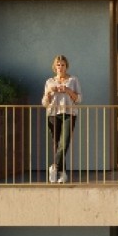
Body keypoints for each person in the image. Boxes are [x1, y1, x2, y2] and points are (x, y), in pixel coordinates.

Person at [42, 55, 81, 183]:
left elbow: (79, 99)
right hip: (53, 114)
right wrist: (49, 93)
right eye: (58, 65)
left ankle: (54, 167)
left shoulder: (73, 80)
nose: (60, 67)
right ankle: (62, 174)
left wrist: (68, 90)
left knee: (64, 143)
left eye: (63, 65)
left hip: (69, 113)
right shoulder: (49, 82)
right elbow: (44, 103)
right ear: (55, 67)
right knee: (56, 145)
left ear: (66, 66)